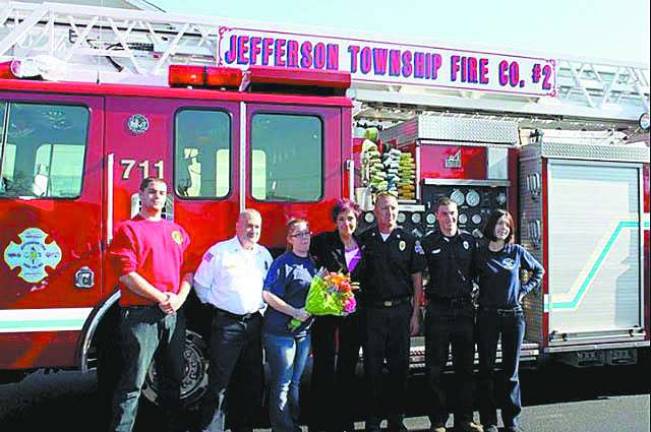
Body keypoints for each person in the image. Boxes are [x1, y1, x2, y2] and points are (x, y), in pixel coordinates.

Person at [108, 177, 192, 432]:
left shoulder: (176, 231)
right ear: (141, 196)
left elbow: (188, 271)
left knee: (173, 379)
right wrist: (161, 297)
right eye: (152, 192)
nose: (157, 196)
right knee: (133, 383)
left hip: (172, 314)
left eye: (162, 193)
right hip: (140, 317)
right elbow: (126, 275)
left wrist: (178, 298)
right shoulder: (127, 230)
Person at [193, 209, 273, 432]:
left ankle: (243, 427)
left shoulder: (264, 255)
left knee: (251, 382)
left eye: (257, 227)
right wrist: (219, 304)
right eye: (248, 225)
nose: (253, 231)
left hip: (254, 324)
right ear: (237, 226)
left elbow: (269, 288)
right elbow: (200, 285)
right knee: (220, 383)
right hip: (227, 325)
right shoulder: (219, 252)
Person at [358, 191, 425, 432]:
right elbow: (351, 274)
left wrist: (416, 314)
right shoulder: (364, 240)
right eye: (385, 208)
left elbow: (417, 279)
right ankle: (373, 420)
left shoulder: (408, 239)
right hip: (372, 313)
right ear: (375, 211)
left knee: (400, 368)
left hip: (400, 313)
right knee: (372, 368)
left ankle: (396, 419)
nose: (390, 213)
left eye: (394, 208)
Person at [476, 209, 544, 432]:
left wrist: (523, 291)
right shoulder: (480, 253)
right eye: (499, 224)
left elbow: (538, 271)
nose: (502, 228)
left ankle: (511, 421)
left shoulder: (516, 252)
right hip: (487, 317)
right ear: (491, 226)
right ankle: (489, 421)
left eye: (506, 225)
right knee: (486, 370)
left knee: (510, 372)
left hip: (513, 317)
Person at [420, 197, 482, 432]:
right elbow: (418, 276)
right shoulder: (427, 243)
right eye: (445, 214)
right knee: (435, 368)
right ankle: (437, 421)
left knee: (465, 368)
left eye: (453, 214)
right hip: (438, 310)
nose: (450, 219)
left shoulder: (469, 242)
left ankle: (465, 419)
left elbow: (480, 273)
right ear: (437, 216)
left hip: (464, 311)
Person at [309, 199, 364, 432]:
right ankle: (321, 421)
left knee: (348, 366)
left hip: (354, 314)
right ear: (335, 221)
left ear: (356, 220)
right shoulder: (322, 241)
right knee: (324, 365)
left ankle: (345, 419)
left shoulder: (364, 243)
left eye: (350, 218)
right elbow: (303, 257)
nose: (346, 223)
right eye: (341, 219)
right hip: (328, 313)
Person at [262, 218, 317, 432]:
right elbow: (267, 295)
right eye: (298, 235)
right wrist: (294, 312)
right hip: (279, 333)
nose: (304, 238)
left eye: (306, 233)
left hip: (302, 334)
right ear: (289, 239)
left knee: (295, 381)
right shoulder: (283, 263)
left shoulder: (312, 263)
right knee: (283, 381)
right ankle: (282, 427)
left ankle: (291, 422)